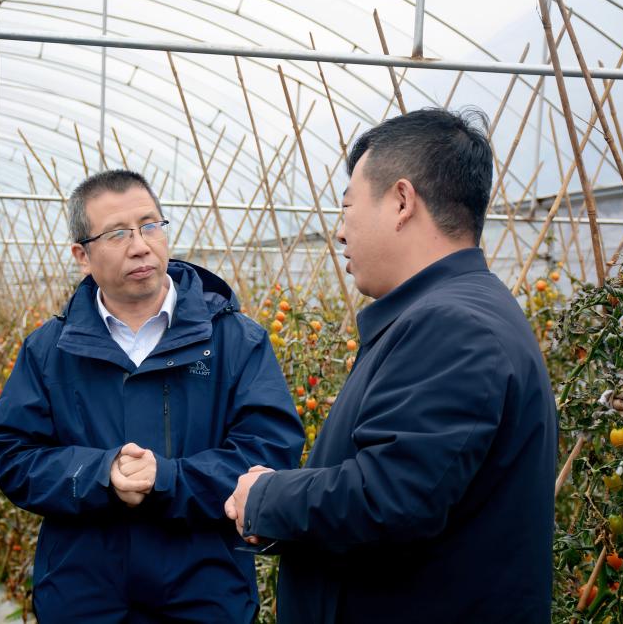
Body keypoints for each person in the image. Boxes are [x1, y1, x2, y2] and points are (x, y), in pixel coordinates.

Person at [225, 108, 557, 623]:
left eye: (347, 207)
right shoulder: (449, 312)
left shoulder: (455, 326)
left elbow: (390, 498)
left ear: (402, 201)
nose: (340, 233)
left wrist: (267, 497)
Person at [0, 169, 305, 623]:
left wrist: (168, 479)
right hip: (84, 597)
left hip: (204, 594)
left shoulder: (234, 341)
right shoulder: (49, 350)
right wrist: (100, 473)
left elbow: (269, 452)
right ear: (82, 255)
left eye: (150, 225)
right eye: (117, 234)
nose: (140, 245)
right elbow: (13, 454)